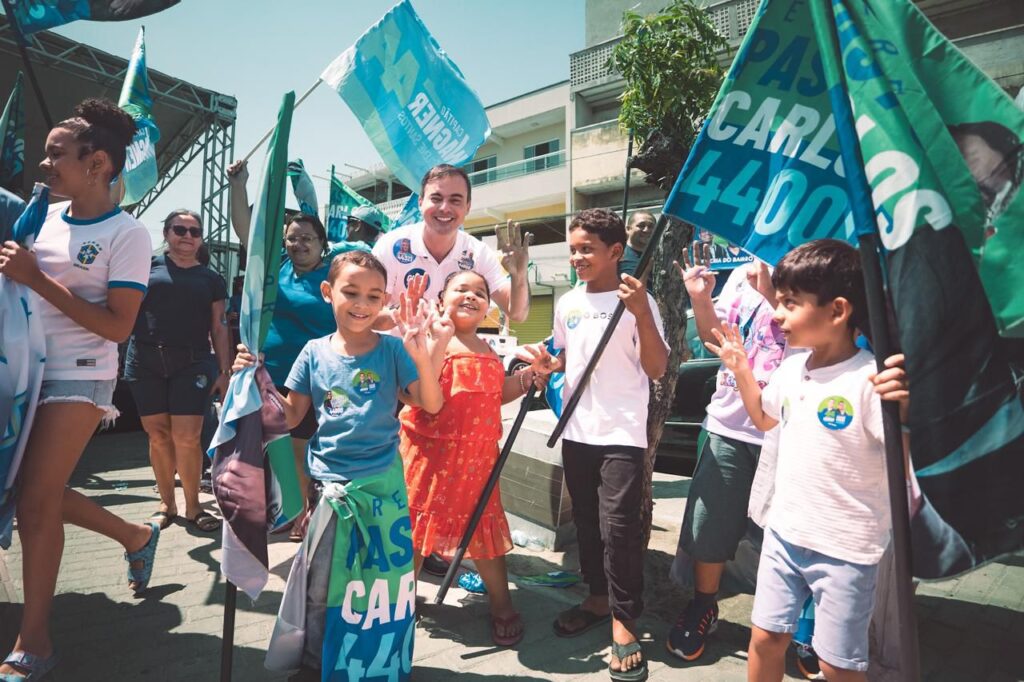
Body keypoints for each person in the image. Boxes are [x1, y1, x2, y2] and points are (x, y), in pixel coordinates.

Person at [0, 99, 159, 680]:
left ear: (96, 164)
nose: (44, 165)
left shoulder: (129, 233)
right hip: (24, 372)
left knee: (36, 502)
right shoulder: (39, 216)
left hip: (83, 371)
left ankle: (35, 641)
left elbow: (119, 326)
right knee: (22, 493)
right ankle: (135, 534)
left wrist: (35, 277)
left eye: (56, 155)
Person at [703, 239, 909, 681]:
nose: (778, 314)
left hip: (847, 549)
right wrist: (741, 370)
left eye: (791, 303)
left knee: (838, 664)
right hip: (783, 534)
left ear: (837, 311)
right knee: (764, 639)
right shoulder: (791, 369)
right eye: (779, 302)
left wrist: (908, 417)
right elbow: (763, 418)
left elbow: (905, 467)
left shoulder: (872, 381)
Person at [234, 250, 444, 682]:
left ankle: (379, 661)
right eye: (351, 292)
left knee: (383, 587)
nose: (361, 304)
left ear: (384, 299)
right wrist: (255, 378)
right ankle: (315, 664)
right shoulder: (312, 352)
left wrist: (422, 355)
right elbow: (290, 416)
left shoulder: (392, 350)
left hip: (383, 489)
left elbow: (429, 403)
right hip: (330, 490)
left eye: (373, 295)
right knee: (322, 584)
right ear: (329, 292)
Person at [517, 208, 668, 682]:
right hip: (577, 429)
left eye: (586, 249)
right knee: (586, 523)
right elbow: (566, 358)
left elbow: (657, 367)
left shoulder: (639, 300)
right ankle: (598, 599)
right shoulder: (568, 302)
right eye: (573, 249)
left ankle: (625, 622)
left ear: (615, 252)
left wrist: (642, 313)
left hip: (622, 432)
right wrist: (547, 363)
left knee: (618, 528)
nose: (577, 257)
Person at [228, 159, 365, 541]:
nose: (299, 243)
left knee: (303, 448)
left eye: (308, 238)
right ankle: (294, 509)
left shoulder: (335, 273)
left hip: (317, 378)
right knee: (280, 449)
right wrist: (238, 186)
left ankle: (304, 514)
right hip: (270, 375)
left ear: (323, 244)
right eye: (292, 237)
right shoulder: (278, 266)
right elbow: (246, 232)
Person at [400, 270, 537, 647]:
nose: (472, 296)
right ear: (442, 299)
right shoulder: (430, 338)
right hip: (430, 458)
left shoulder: (489, 347)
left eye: (480, 292)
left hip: (477, 462)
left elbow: (496, 394)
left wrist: (527, 378)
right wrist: (435, 343)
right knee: (414, 534)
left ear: (488, 308)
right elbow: (415, 387)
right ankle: (399, 601)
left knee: (484, 535)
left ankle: (502, 604)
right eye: (461, 288)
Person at [665, 248, 787, 663]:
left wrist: (773, 294)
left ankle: (804, 625)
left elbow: (824, 336)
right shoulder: (741, 273)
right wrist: (700, 299)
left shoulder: (815, 265)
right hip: (729, 424)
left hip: (788, 430)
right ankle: (704, 605)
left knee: (791, 534)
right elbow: (715, 338)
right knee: (709, 524)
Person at [123, 209, 231, 532]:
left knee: (188, 437)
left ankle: (193, 507)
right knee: (158, 436)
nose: (187, 236)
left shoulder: (212, 279)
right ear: (167, 232)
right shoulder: (144, 268)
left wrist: (224, 372)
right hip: (145, 361)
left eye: (194, 232)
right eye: (179, 229)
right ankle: (167, 505)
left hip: (193, 363)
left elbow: (220, 327)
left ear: (200, 239)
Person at [372, 164, 530, 328]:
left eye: (455, 200)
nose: (445, 208)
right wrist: (401, 314)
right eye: (436, 199)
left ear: (467, 207)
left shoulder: (478, 253)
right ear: (420, 202)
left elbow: (518, 313)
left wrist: (519, 277)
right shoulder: (390, 246)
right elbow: (366, 317)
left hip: (452, 352)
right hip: (395, 351)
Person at [617, 210, 656, 279]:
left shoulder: (658, 257)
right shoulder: (617, 255)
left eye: (651, 226)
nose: (646, 230)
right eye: (641, 225)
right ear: (628, 229)